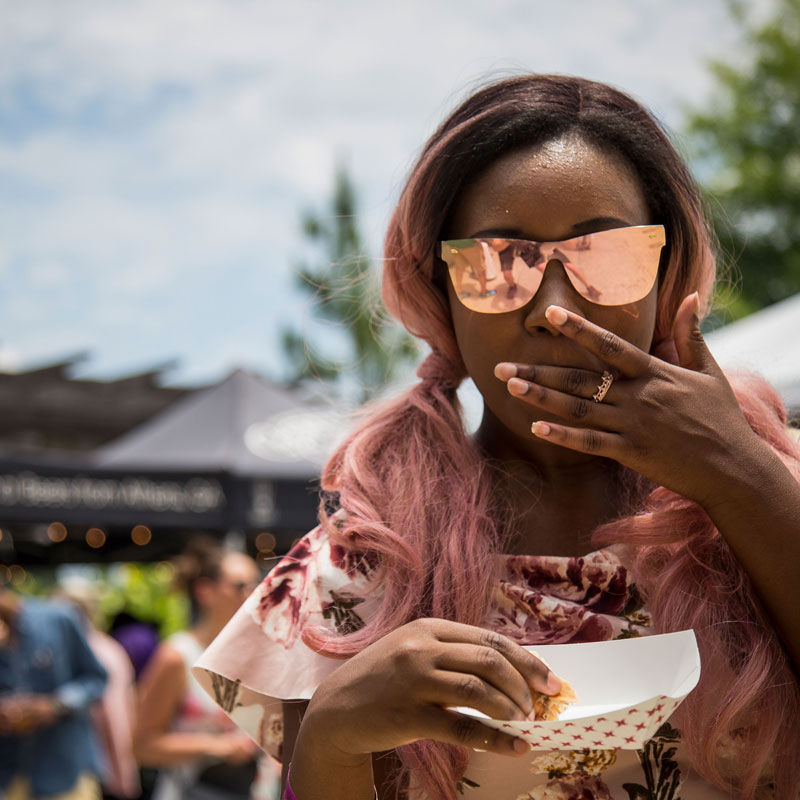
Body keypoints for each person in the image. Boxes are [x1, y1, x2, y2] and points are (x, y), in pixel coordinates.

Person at [192, 75, 800, 800]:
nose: (553, 308)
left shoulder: (770, 488)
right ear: (440, 292)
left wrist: (741, 477)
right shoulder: (365, 563)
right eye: (498, 263)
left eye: (606, 255)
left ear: (667, 275)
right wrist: (330, 737)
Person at [133, 537, 262, 800]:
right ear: (205, 591)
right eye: (240, 586)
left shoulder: (259, 654)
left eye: (256, 585)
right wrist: (215, 746)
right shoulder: (178, 656)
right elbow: (142, 746)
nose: (251, 595)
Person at [0, 586, 108, 800]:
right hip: (10, 775)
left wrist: (56, 705)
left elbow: (96, 678)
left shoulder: (58, 620)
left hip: (65, 772)